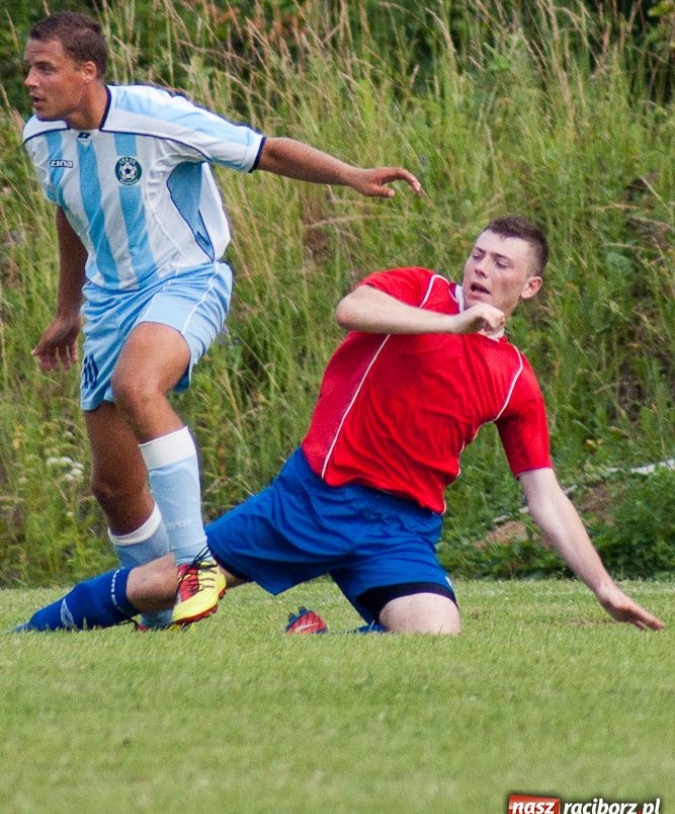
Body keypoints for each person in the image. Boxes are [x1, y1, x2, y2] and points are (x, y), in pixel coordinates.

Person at [16, 216, 665, 635]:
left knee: (434, 632)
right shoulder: (419, 292)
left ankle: (315, 636)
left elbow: (543, 496)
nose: (480, 268)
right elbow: (351, 308)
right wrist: (450, 324)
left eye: (501, 264)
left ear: (529, 288)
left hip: (399, 529)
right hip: (312, 500)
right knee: (166, 585)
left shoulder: (514, 379)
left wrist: (604, 589)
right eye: (477, 254)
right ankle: (30, 638)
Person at [21, 11, 421, 629]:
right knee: (114, 490)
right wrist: (67, 308)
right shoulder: (39, 137)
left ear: (87, 71)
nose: (31, 80)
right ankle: (159, 614)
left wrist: (350, 175)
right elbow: (71, 212)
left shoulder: (156, 117)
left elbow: (264, 150)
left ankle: (197, 564)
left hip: (187, 279)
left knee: (138, 386)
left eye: (45, 67)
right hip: (106, 302)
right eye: (28, 67)